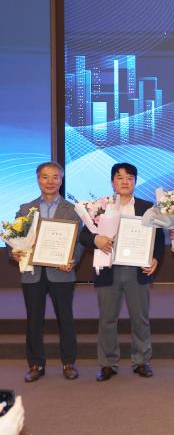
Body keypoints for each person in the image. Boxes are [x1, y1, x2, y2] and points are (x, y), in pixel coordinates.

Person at [79, 163, 164, 381]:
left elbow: (158, 238)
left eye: (129, 178)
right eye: (119, 177)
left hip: (137, 270)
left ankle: (142, 361)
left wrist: (155, 258)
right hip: (108, 269)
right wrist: (96, 239)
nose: (125, 182)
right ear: (112, 182)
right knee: (107, 319)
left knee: (140, 318)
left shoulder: (147, 207)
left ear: (135, 181)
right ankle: (108, 364)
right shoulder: (101, 206)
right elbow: (83, 235)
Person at [11, 162, 82, 382]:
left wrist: (73, 259)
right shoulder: (25, 209)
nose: (50, 181)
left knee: (66, 319)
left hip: (62, 273)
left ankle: (69, 363)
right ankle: (35, 365)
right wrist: (15, 253)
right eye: (45, 177)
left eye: (55, 177)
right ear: (38, 179)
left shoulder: (73, 209)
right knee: (34, 321)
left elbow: (79, 241)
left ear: (61, 179)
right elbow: (16, 239)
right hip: (33, 274)